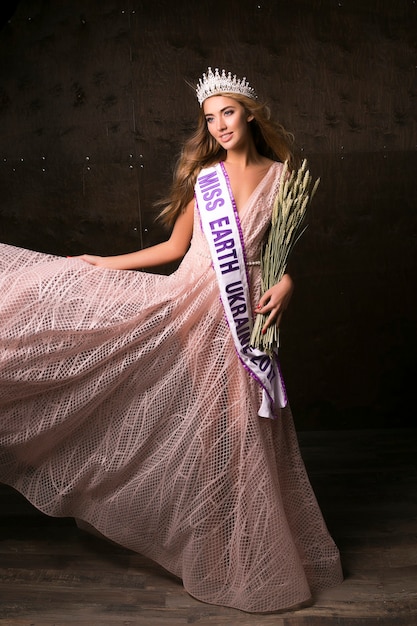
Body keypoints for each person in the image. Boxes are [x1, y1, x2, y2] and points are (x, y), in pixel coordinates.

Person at [0, 67, 343, 613]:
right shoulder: (206, 178)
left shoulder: (283, 177)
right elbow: (173, 248)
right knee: (212, 433)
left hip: (248, 315)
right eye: (210, 119)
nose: (220, 125)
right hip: (193, 305)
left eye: (227, 113)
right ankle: (213, 544)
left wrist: (287, 286)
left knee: (251, 432)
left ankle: (251, 548)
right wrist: (99, 262)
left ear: (250, 114)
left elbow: (280, 257)